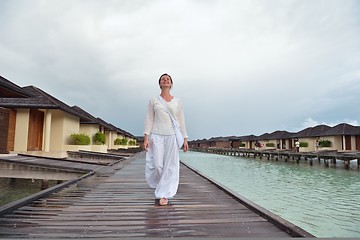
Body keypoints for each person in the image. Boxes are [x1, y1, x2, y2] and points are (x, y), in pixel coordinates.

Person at [143, 73, 188, 206]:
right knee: (157, 165)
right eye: (163, 79)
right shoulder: (153, 100)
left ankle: (164, 194)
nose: (166, 80)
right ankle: (161, 186)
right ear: (160, 84)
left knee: (170, 166)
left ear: (171, 84)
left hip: (172, 136)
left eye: (168, 79)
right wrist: (146, 136)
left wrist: (185, 138)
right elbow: (149, 119)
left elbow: (181, 121)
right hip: (156, 135)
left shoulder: (178, 101)